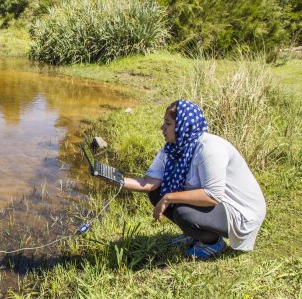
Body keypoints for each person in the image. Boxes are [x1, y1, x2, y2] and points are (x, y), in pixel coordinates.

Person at [111, 99, 266, 258]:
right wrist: (114, 179)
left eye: (168, 124)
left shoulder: (209, 149)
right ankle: (196, 234)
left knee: (183, 213)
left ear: (182, 126)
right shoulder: (174, 148)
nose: (162, 128)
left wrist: (168, 198)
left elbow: (212, 195)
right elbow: (149, 183)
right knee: (156, 192)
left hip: (240, 211)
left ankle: (212, 242)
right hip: (219, 203)